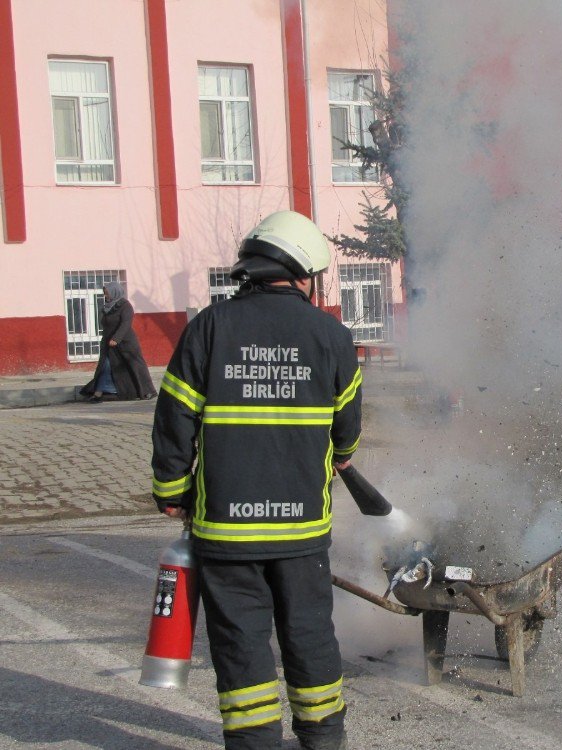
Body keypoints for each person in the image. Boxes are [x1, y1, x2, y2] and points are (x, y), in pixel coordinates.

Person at [151, 211, 363, 750]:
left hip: (226, 531)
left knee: (241, 641)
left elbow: (174, 416)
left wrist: (172, 489)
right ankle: (323, 740)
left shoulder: (209, 327)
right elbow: (348, 434)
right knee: (310, 633)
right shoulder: (333, 337)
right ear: (302, 272)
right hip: (302, 532)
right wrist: (339, 455)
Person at [80, 282, 157, 402]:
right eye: (105, 293)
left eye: (107, 293)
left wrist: (116, 339)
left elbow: (125, 324)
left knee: (136, 366)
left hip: (126, 343)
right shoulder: (107, 307)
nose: (106, 296)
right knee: (105, 367)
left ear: (114, 292)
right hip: (109, 344)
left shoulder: (125, 306)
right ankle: (98, 394)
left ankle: (148, 391)